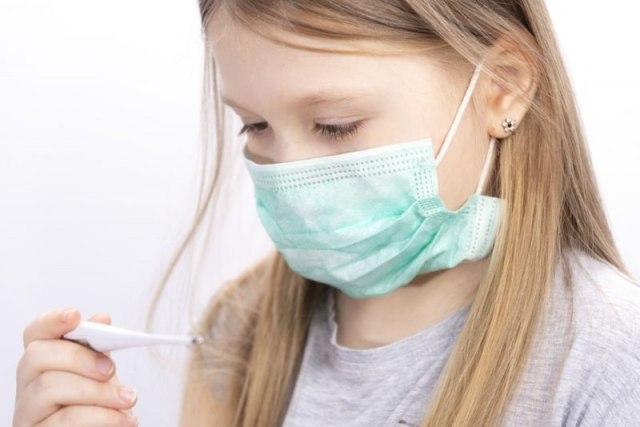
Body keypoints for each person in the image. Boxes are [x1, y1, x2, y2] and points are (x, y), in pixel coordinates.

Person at [13, 1, 640, 426]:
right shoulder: (240, 330)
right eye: (255, 126)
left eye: (336, 125)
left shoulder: (606, 356)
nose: (290, 175)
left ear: (502, 86)